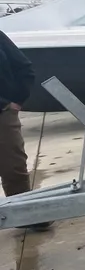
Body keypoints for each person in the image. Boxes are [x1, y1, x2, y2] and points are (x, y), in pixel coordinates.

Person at [0, 29, 50, 230]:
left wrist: (16, 101)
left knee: (14, 166)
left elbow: (24, 68)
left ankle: (24, 213)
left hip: (2, 113)